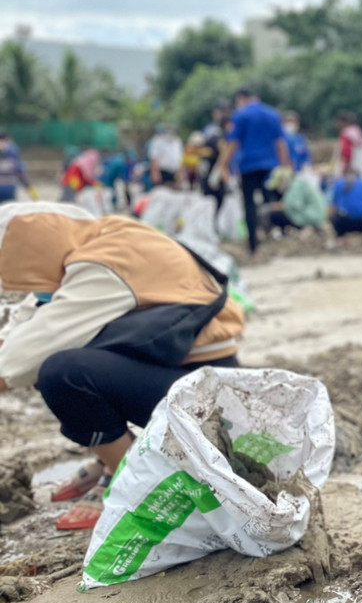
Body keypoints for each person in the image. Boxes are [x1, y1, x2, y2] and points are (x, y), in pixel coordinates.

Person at [0, 203, 244, 530]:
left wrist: (12, 358)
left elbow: (23, 355)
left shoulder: (104, 264)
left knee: (61, 373)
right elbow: (31, 319)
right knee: (62, 352)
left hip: (204, 394)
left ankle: (134, 483)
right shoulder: (99, 239)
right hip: (180, 370)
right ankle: (110, 460)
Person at [213, 88, 291, 256]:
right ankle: (276, 235)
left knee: (249, 205)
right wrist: (286, 167)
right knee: (271, 201)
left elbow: (233, 144)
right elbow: (280, 142)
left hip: (248, 166)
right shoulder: (272, 114)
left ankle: (253, 244)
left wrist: (222, 165)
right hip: (270, 166)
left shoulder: (241, 116)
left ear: (241, 98)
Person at [329, 170, 362, 238]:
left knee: (335, 216)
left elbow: (333, 206)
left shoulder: (339, 184)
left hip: (344, 222)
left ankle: (341, 237)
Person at [0, 131, 38, 204]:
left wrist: (30, 188)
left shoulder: (12, 155)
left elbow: (20, 173)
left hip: (9, 189)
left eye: (2, 141)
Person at [146, 124, 184, 189]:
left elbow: (180, 158)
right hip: (162, 172)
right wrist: (155, 173)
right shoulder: (157, 141)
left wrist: (181, 174)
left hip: (174, 172)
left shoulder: (177, 141)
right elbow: (154, 158)